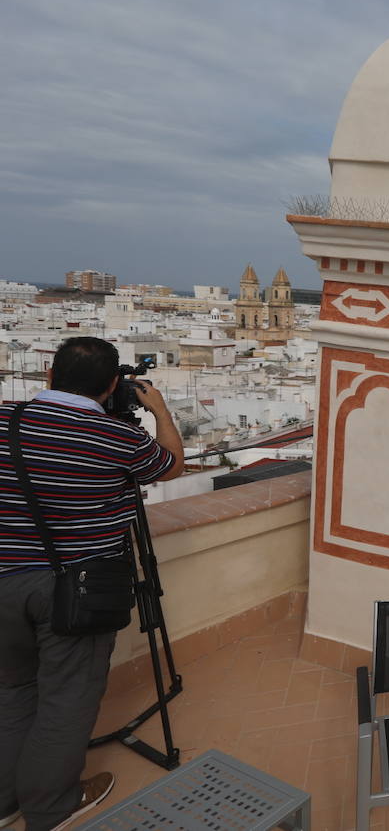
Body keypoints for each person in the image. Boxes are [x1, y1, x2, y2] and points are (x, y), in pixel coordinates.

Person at [0, 337, 183, 831]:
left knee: (12, 689)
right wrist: (159, 410)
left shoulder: (3, 420)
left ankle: (5, 801)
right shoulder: (114, 438)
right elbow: (171, 465)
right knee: (66, 697)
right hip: (73, 588)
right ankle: (50, 806)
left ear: (48, 377)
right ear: (111, 386)